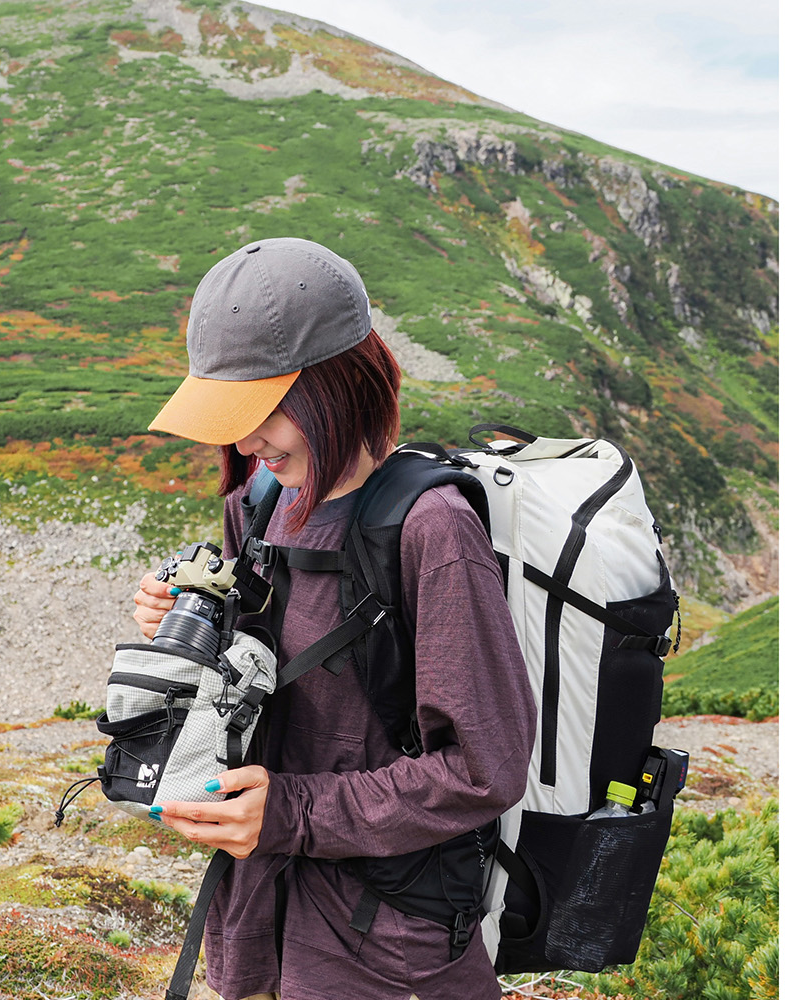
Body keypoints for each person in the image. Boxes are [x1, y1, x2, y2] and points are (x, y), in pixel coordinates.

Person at [131, 237, 535, 1000]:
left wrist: (289, 812)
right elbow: (257, 681)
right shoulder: (256, 502)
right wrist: (190, 622)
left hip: (385, 945)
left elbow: (484, 768)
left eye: (260, 411)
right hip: (256, 913)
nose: (244, 441)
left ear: (335, 384)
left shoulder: (433, 530)